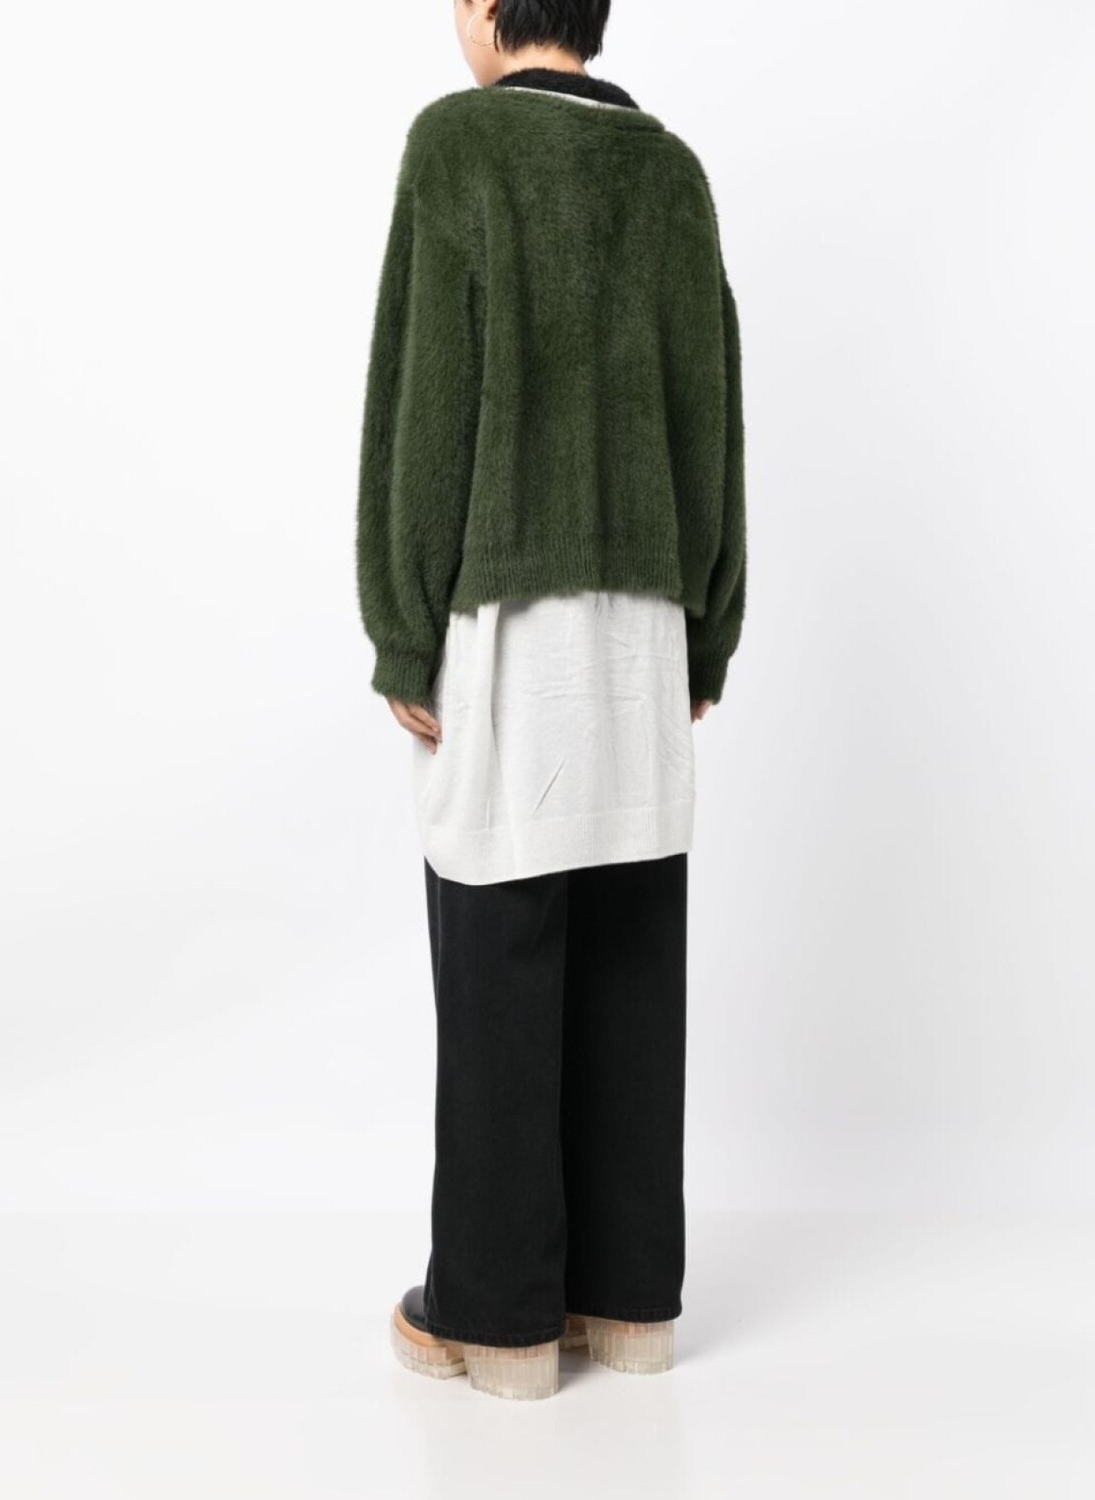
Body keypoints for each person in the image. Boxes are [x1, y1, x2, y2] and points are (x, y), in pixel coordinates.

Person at [355, 0, 746, 1401]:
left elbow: (422, 397)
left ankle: (499, 1318)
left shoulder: (457, 147)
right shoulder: (670, 170)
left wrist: (403, 628)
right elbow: (713, 412)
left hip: (510, 617)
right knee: (632, 945)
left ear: (488, 6)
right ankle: (628, 1305)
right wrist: (707, 630)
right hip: (645, 617)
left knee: (499, 950)